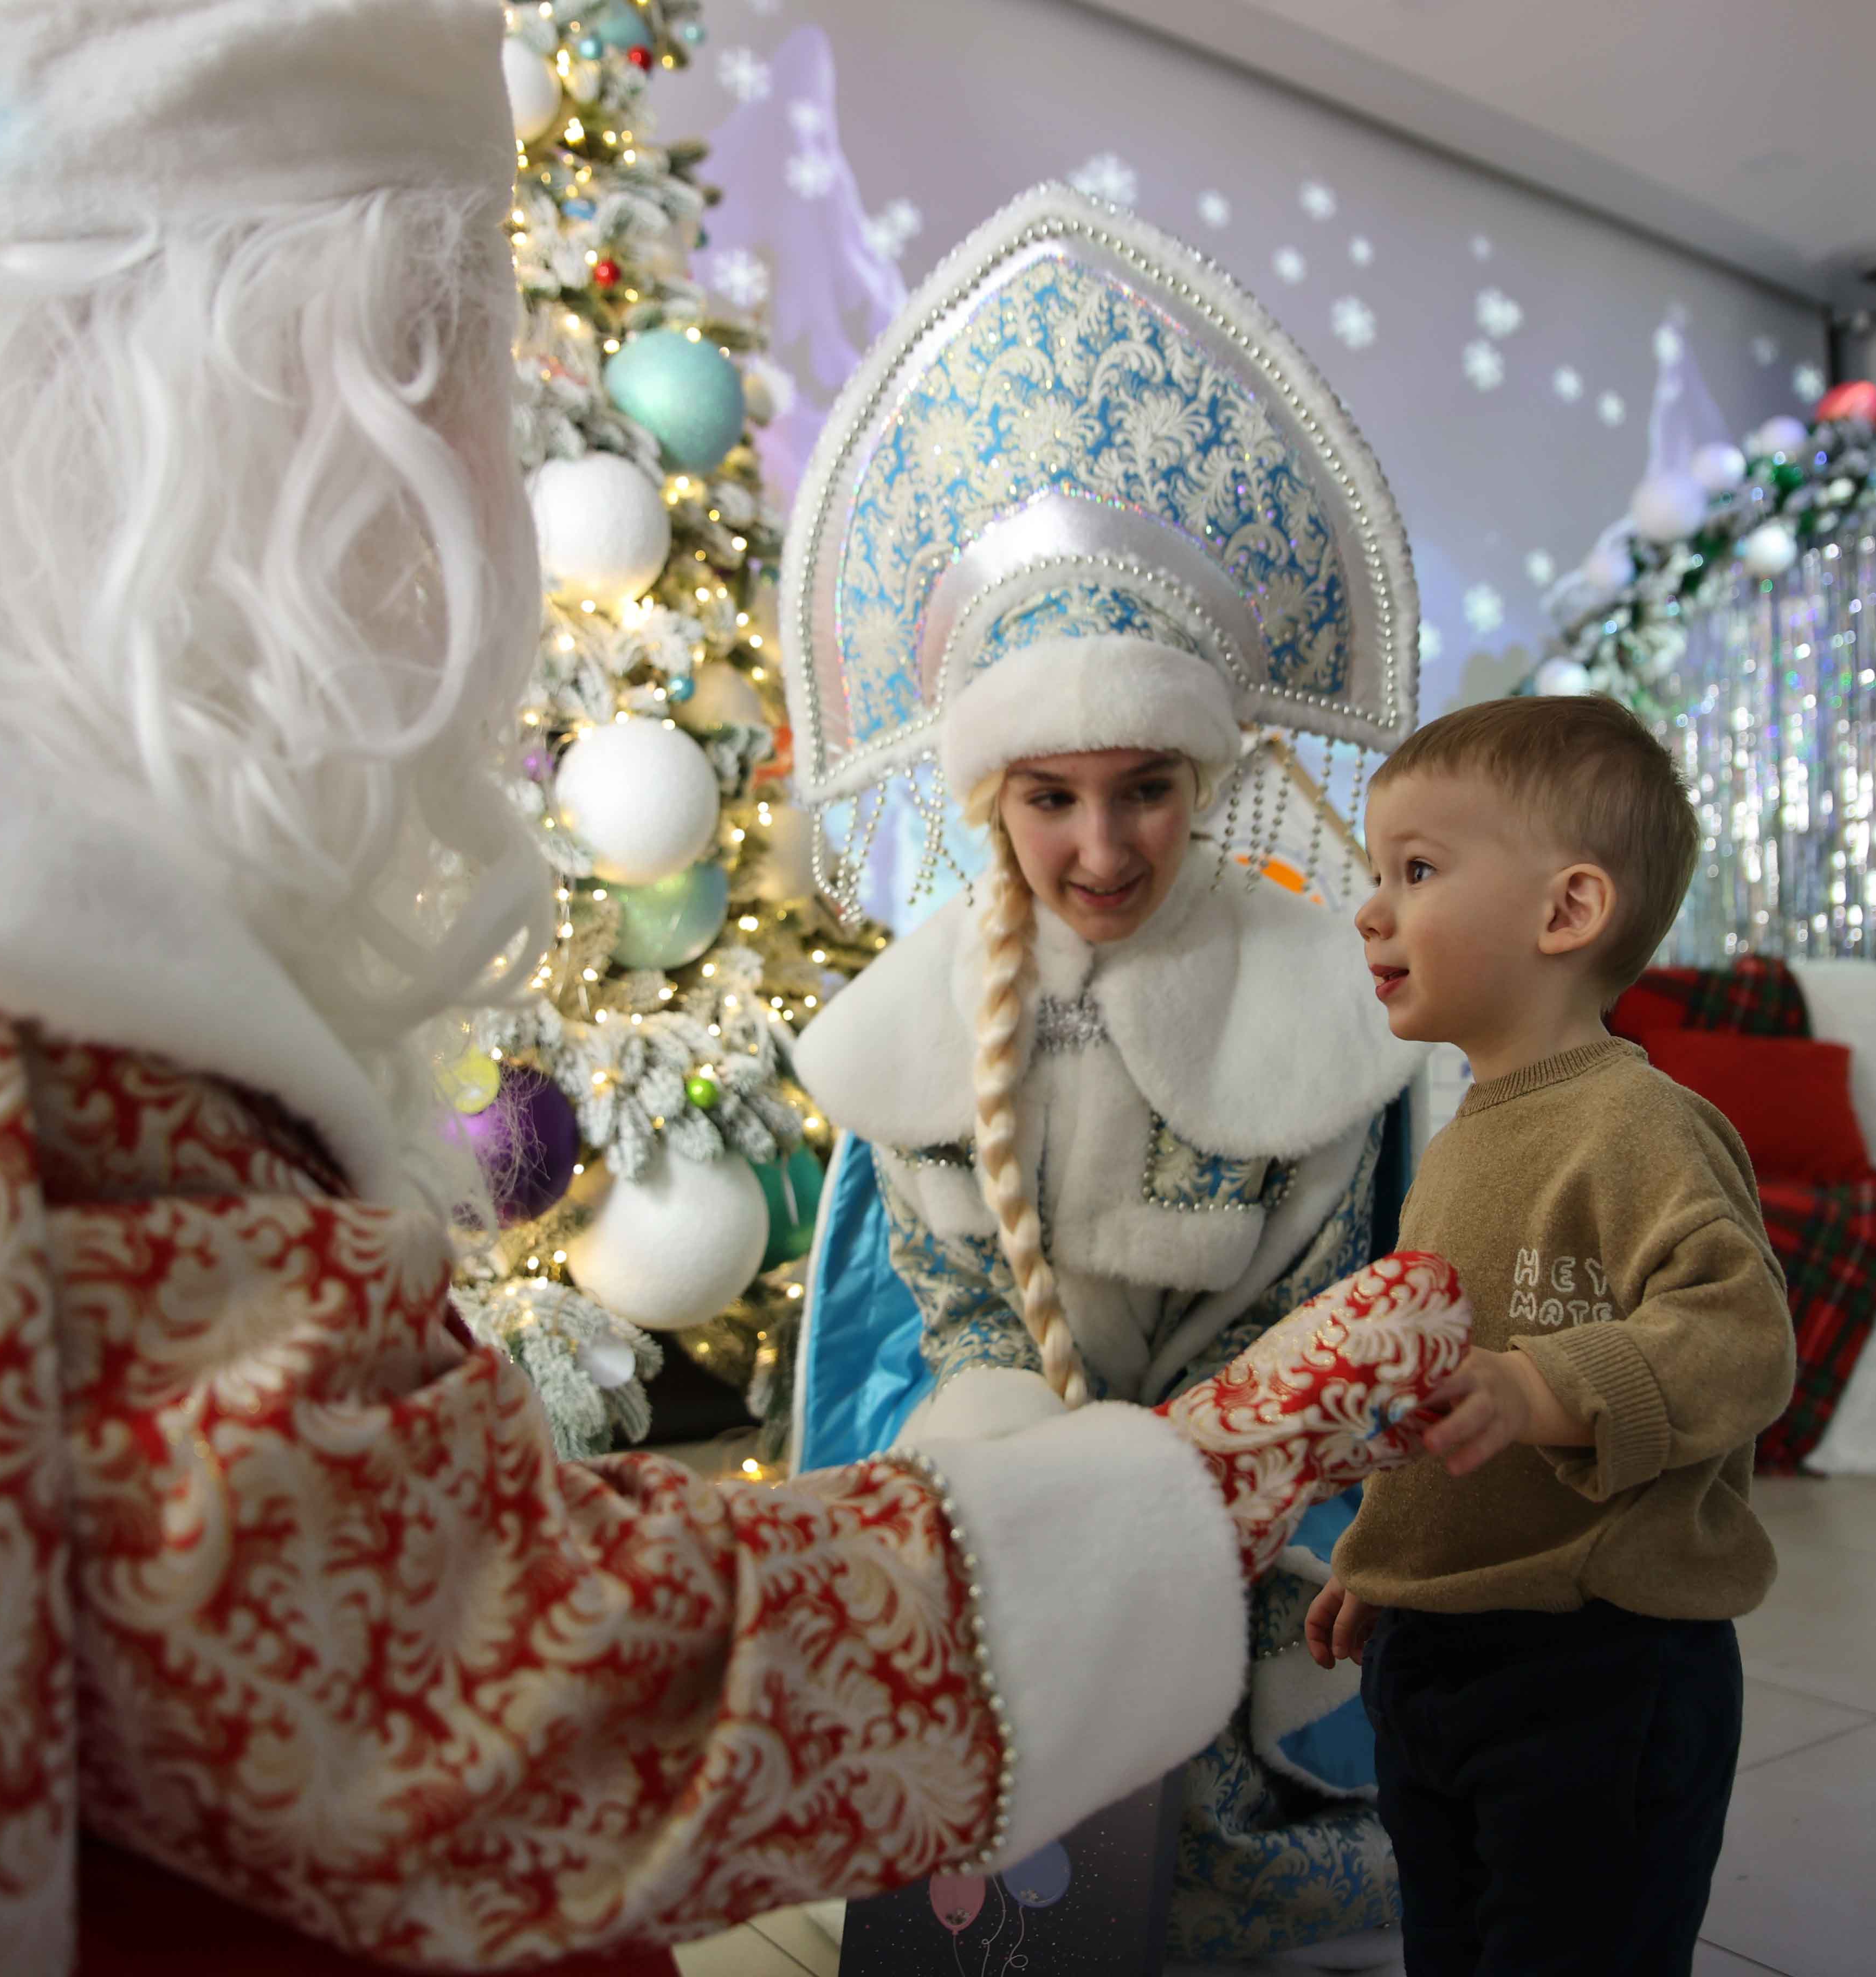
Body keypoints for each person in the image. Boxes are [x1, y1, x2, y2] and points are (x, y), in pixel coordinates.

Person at [0, 5, 1480, 1972]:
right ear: (274, 403)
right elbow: (489, 1690)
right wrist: (1195, 1473)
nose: (493, 508)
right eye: (456, 373)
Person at [781, 186, 1431, 1973]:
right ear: (989, 795)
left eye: (1144, 784)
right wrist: (1036, 1475)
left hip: (1257, 1490)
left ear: (1209, 773)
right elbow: (952, 1301)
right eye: (1048, 796)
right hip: (1020, 1477)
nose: (1098, 846)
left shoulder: (1319, 994)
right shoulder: (927, 1010)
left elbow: (1315, 1296)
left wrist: (1183, 1482)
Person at [1306, 695, 1800, 1977]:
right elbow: (1442, 1395)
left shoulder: (1639, 1127)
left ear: (1566, 913)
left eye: (1416, 871)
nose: (1371, 909)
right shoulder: (1462, 1137)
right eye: (1376, 874)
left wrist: (1543, 1386)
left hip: (1597, 1670)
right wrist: (1388, 1554)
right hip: (1443, 1656)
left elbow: (1738, 1338)